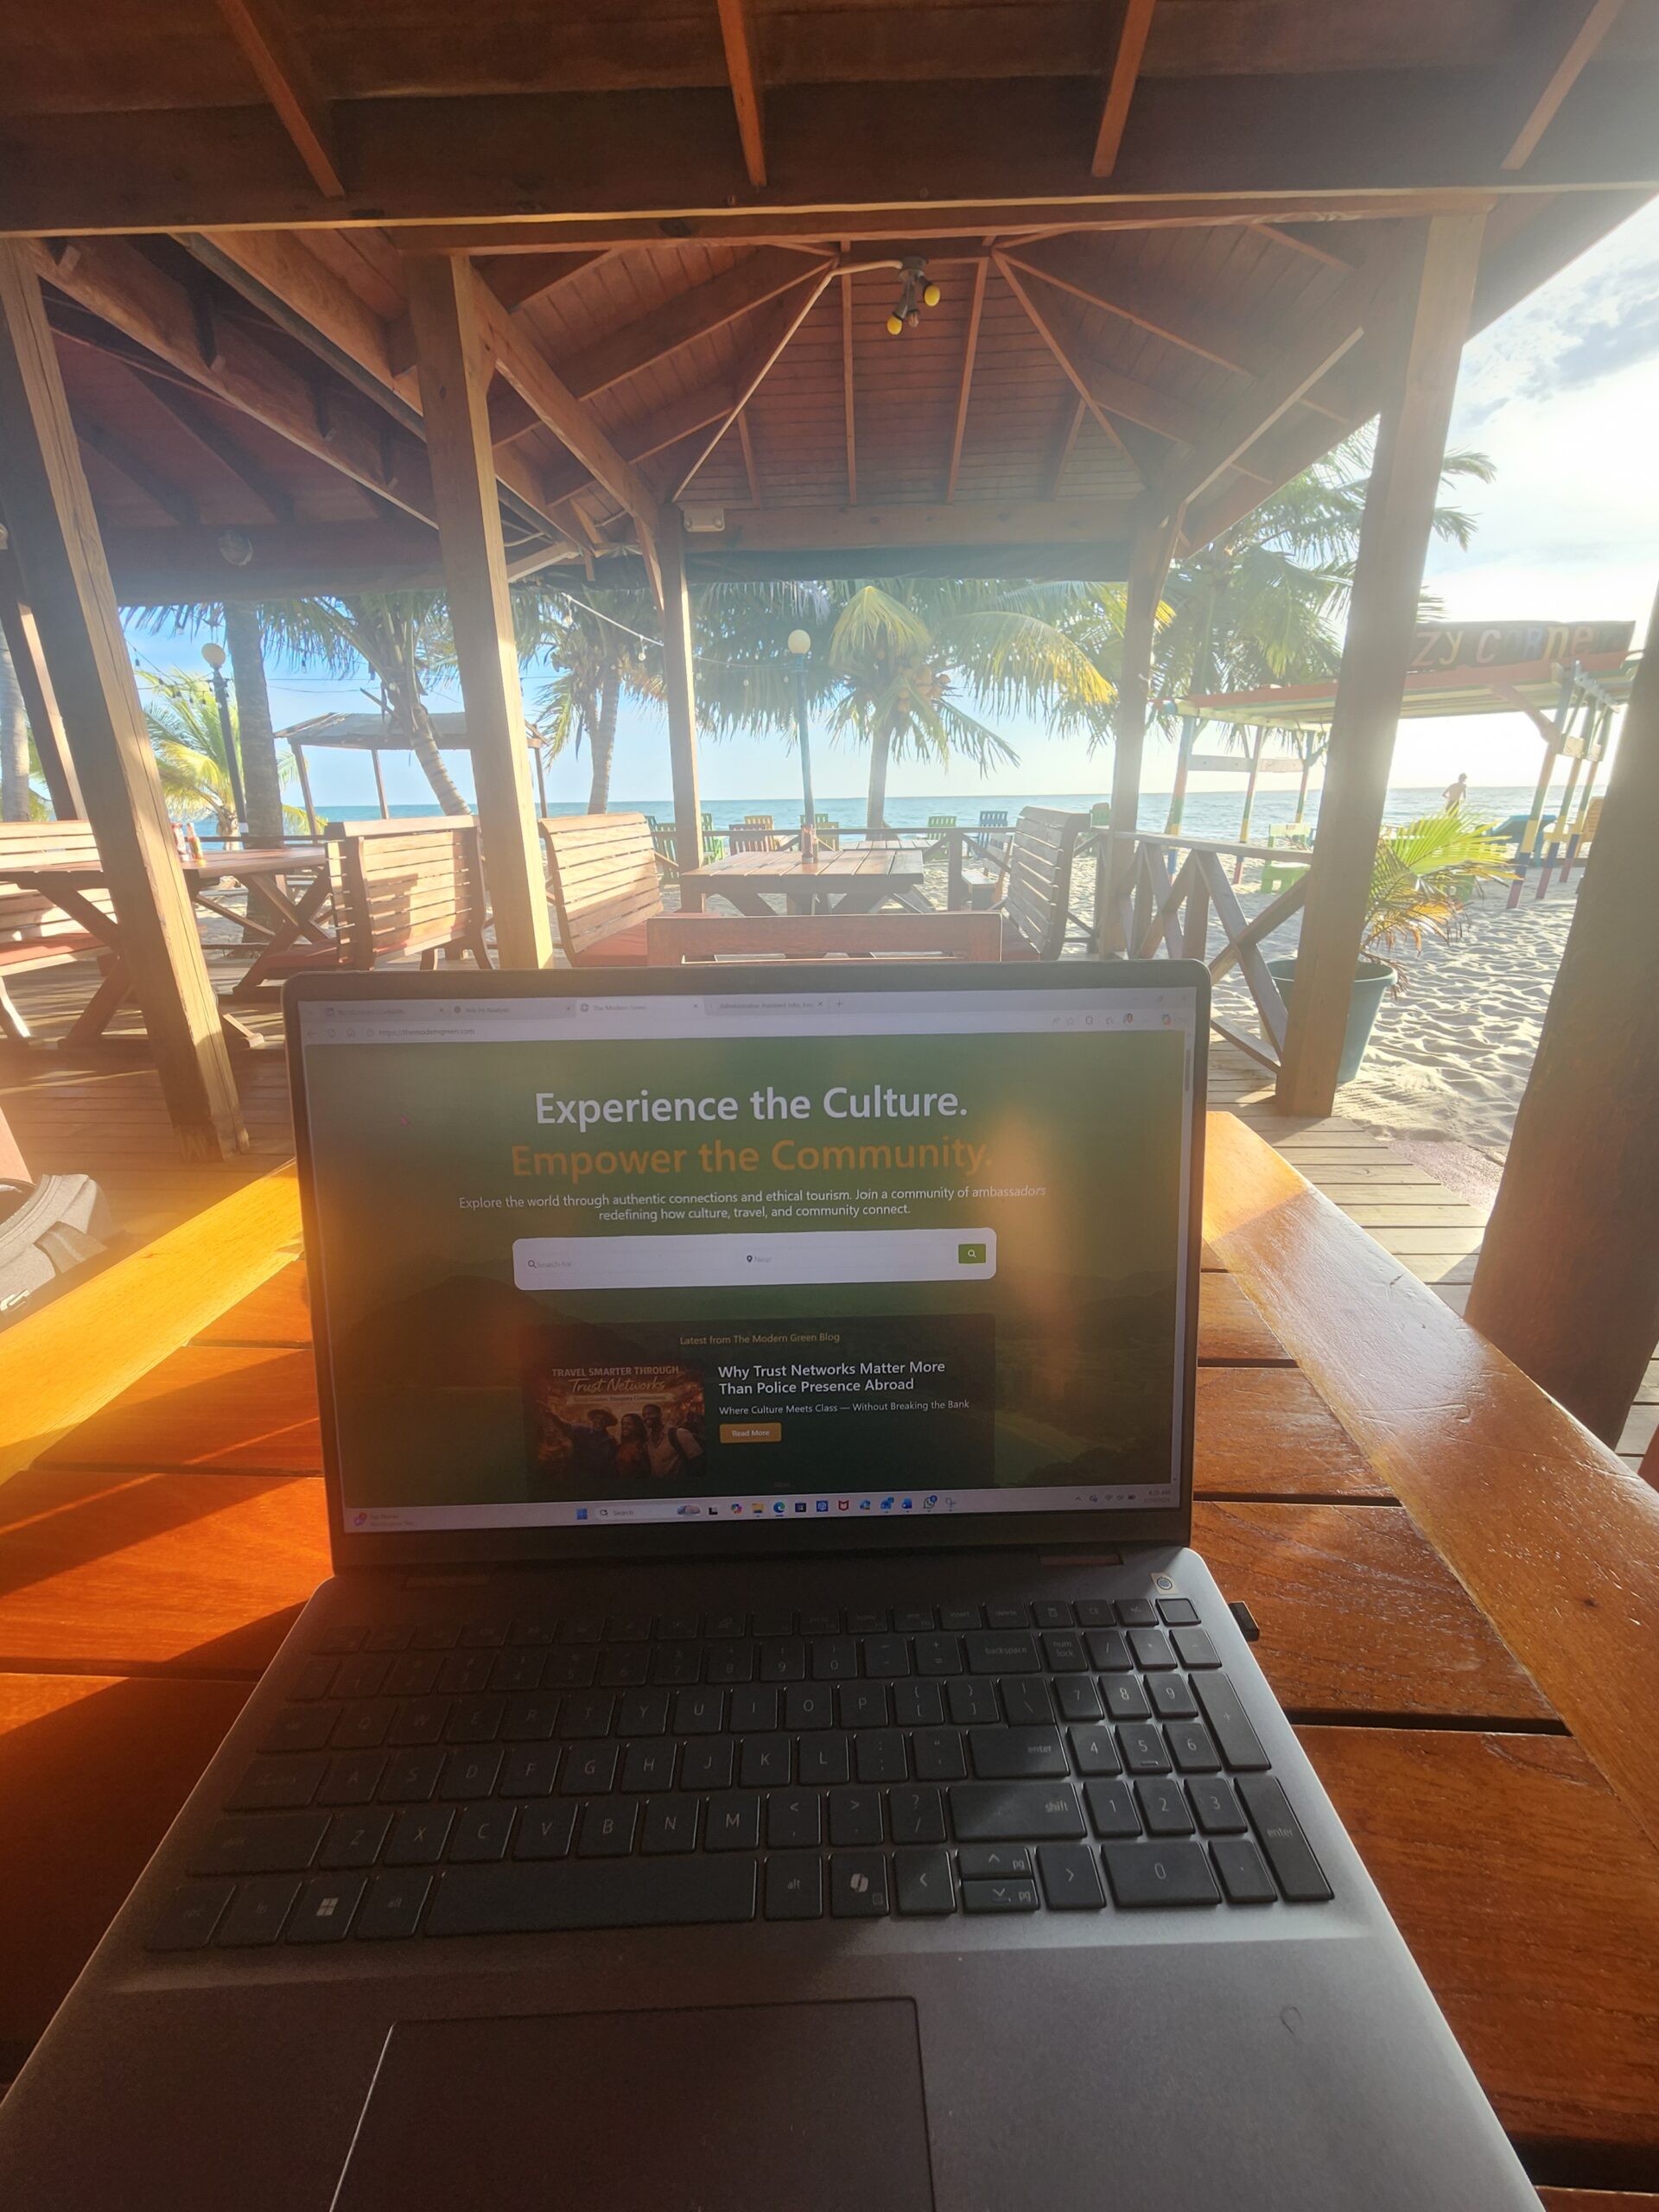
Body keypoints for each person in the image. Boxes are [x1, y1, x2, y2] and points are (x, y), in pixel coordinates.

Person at [543, 1403, 620, 1484]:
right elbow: (565, 1426)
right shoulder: (581, 1431)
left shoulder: (611, 1441)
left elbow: (612, 1464)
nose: (599, 1422)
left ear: (607, 1423)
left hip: (598, 1481)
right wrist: (552, 1415)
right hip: (578, 1479)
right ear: (593, 1419)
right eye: (597, 1418)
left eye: (603, 1419)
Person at [642, 1401, 703, 1479]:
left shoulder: (679, 1434)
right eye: (644, 1415)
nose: (646, 1417)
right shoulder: (648, 1440)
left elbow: (698, 1461)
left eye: (650, 1413)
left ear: (660, 1415)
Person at [613, 1411, 651, 1486]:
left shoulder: (643, 1447)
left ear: (637, 1427)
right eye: (623, 1424)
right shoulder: (621, 1446)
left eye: (629, 1424)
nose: (624, 1427)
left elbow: (646, 1473)